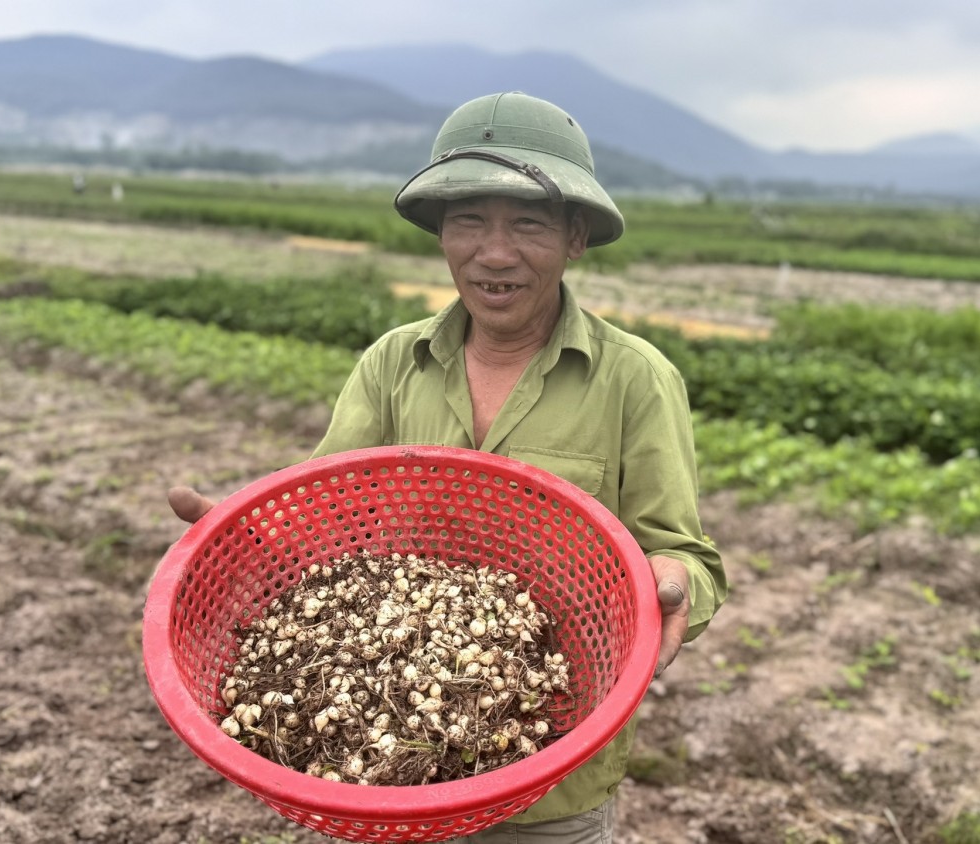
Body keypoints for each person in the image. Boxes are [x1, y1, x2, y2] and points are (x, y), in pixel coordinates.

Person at [168, 91, 726, 843]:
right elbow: (321, 527)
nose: (494, 252)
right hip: (382, 762)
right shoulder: (395, 364)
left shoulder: (634, 379)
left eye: (527, 222)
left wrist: (677, 583)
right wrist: (245, 544)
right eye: (469, 221)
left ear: (576, 238)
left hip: (550, 767)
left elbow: (684, 553)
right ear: (441, 236)